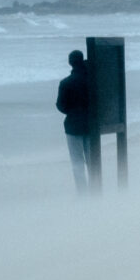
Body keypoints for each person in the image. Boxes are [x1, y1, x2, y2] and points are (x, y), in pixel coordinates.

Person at [56, 50, 91, 193]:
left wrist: (72, 111)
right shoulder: (91, 80)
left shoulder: (65, 83)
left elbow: (60, 105)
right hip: (90, 124)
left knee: (77, 161)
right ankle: (96, 187)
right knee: (92, 160)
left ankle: (82, 191)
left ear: (70, 62)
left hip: (73, 125)